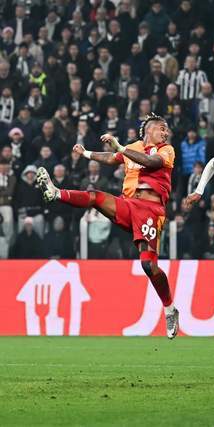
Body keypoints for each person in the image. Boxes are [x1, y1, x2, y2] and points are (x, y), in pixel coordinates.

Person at [35, 113, 179, 339]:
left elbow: (152, 162)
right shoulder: (134, 147)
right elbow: (112, 158)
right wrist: (87, 153)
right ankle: (56, 193)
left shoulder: (166, 149)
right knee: (94, 196)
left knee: (148, 266)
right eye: (162, 128)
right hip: (129, 205)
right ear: (149, 129)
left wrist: (121, 148)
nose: (166, 132)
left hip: (150, 210)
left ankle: (169, 308)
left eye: (166, 129)